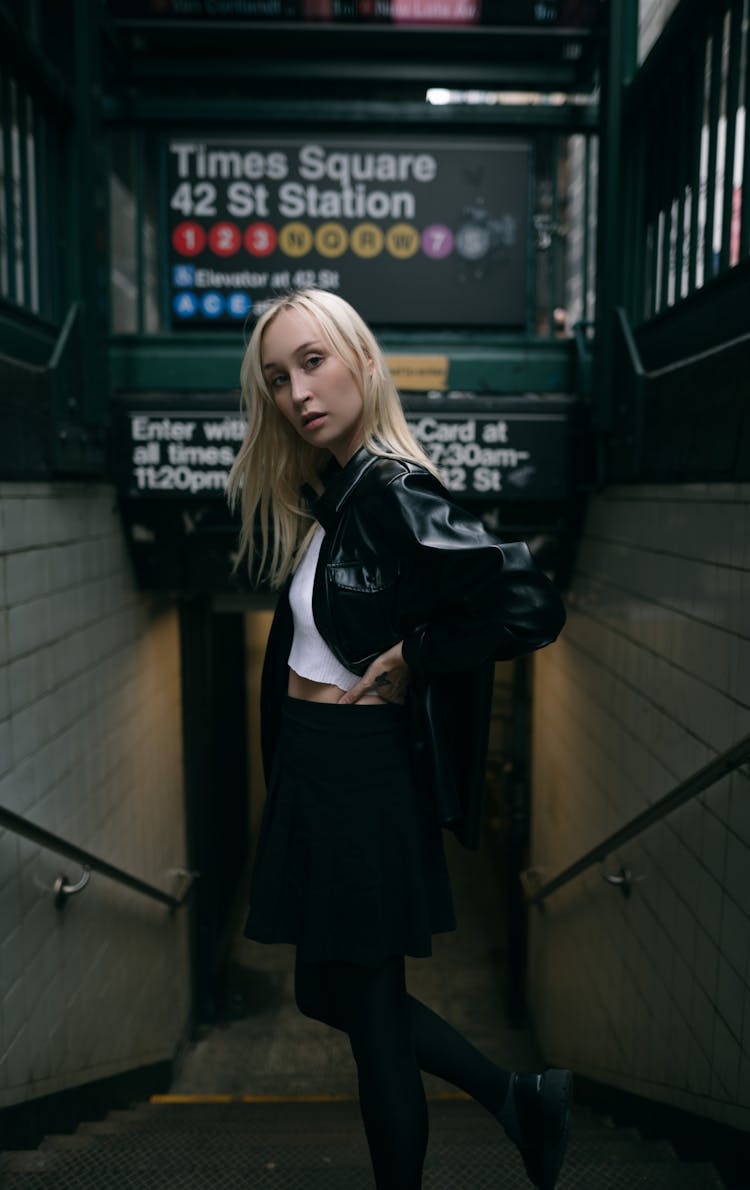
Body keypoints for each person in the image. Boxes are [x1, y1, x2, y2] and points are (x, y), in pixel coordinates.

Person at [226, 287, 571, 1190]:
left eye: (313, 361)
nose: (296, 391)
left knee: (371, 1004)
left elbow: (528, 603)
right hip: (318, 769)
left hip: (357, 773)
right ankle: (514, 1096)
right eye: (277, 377)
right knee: (324, 990)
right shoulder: (340, 495)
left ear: (364, 362)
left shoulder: (392, 488)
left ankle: (486, 1125)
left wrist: (418, 653)